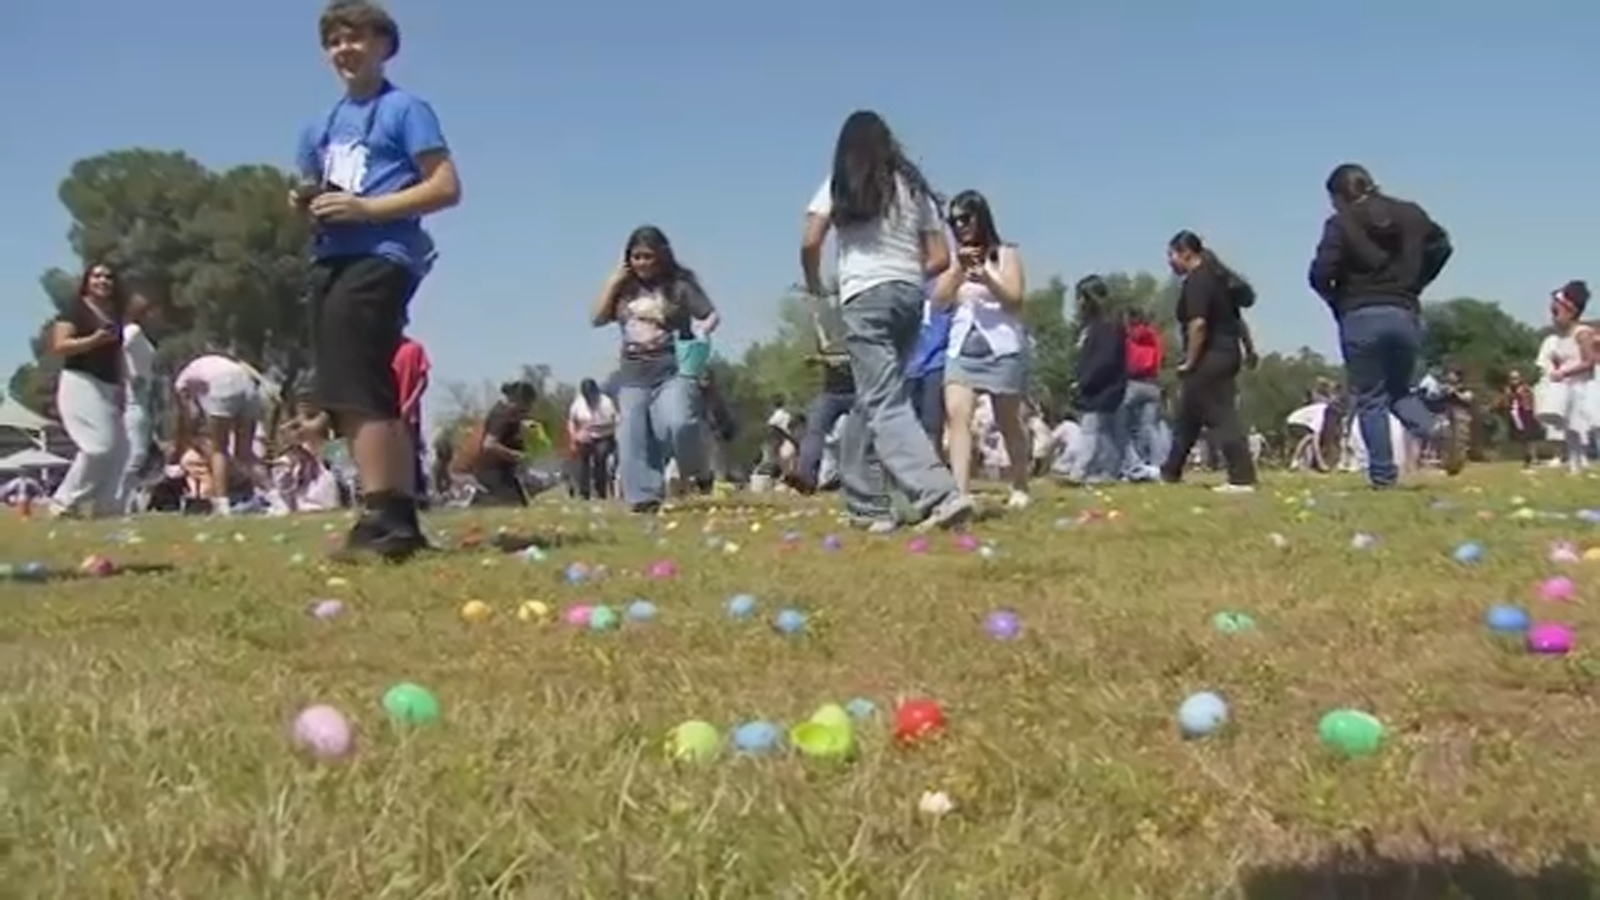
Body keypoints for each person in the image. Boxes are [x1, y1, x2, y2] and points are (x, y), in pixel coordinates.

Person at [292, 0, 460, 558]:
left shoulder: (406, 109)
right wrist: (304, 202)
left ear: (384, 46)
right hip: (330, 258)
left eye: (357, 38)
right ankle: (395, 516)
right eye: (335, 41)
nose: (345, 49)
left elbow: (444, 186)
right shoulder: (318, 127)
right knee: (347, 387)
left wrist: (368, 209)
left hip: (383, 252)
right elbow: (310, 190)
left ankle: (384, 512)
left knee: (359, 379)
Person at [801, 110, 971, 532]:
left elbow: (810, 240)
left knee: (884, 401)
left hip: (864, 296)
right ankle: (866, 505)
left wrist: (815, 283)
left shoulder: (839, 184)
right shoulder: (912, 189)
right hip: (909, 297)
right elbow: (940, 258)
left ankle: (939, 493)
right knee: (872, 398)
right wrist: (904, 270)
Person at [1308, 162, 1454, 487]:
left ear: (1340, 196)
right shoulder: (1412, 214)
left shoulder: (1340, 223)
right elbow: (1442, 246)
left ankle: (1383, 476)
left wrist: (1337, 301)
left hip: (1359, 315)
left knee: (1371, 398)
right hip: (1404, 312)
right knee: (1399, 390)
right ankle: (1435, 430)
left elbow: (1319, 273)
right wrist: (1416, 282)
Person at [591, 226, 718, 513]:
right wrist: (613, 281)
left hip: (673, 369)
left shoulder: (679, 285)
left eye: (648, 256)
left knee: (679, 423)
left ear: (661, 256)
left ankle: (698, 469)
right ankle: (644, 497)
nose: (642, 263)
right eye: (636, 257)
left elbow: (709, 314)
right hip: (633, 374)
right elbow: (597, 318)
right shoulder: (624, 289)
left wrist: (702, 332)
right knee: (631, 435)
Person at [932, 190, 1032, 508]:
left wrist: (987, 277)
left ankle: (1020, 485)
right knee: (957, 417)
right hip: (962, 349)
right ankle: (960, 493)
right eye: (954, 221)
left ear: (981, 216)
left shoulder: (1006, 254)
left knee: (1008, 421)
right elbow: (939, 301)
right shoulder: (954, 260)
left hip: (1002, 349)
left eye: (966, 218)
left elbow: (1015, 299)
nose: (960, 226)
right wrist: (958, 270)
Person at [1160, 232, 1259, 491]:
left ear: (1185, 253)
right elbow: (1237, 321)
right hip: (1226, 353)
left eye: (1171, 255)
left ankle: (1242, 477)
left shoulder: (1198, 280)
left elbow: (1198, 324)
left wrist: (1190, 361)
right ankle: (1170, 472)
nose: (1169, 262)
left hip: (1210, 356)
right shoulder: (1217, 278)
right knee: (1188, 417)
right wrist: (1249, 350)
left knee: (1221, 415)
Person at [47, 262, 129, 518]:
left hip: (109, 385)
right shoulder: (76, 310)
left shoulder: (114, 315)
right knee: (97, 447)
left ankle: (105, 506)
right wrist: (93, 340)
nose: (103, 281)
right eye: (97, 276)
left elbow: (117, 356)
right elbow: (60, 345)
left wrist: (122, 387)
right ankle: (63, 502)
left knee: (120, 450)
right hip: (80, 381)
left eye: (108, 277)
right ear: (87, 280)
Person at [172, 354, 272, 515]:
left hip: (223, 384)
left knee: (219, 449)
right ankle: (275, 497)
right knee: (245, 453)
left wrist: (178, 453)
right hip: (246, 381)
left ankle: (221, 504)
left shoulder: (180, 384)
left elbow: (186, 420)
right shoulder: (204, 368)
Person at [1064, 275, 1128, 484]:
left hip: (1104, 388)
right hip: (1096, 388)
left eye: (1081, 298)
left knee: (1093, 431)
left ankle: (1081, 471)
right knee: (1104, 433)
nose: (1078, 304)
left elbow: (1106, 360)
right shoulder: (1092, 326)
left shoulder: (1107, 326)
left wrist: (1084, 381)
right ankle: (1105, 471)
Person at [790, 294, 856, 492]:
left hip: (858, 392)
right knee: (814, 429)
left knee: (864, 434)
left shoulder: (858, 328)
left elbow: (852, 357)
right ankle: (805, 477)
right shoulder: (826, 331)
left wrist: (824, 360)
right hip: (831, 393)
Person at [1533, 280, 1596, 474]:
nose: (1553, 317)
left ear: (1570, 310)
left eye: (1556, 312)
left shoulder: (1582, 333)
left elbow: (1589, 362)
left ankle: (1583, 460)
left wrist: (1564, 372)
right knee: (1570, 429)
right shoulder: (1561, 337)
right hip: (1568, 388)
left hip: (1583, 389)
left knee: (1588, 427)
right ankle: (1575, 465)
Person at [450, 381, 537, 506]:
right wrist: (516, 456)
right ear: (520, 400)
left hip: (498, 470)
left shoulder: (505, 412)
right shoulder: (503, 414)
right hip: (491, 471)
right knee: (510, 505)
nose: (528, 411)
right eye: (527, 406)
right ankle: (476, 498)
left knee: (519, 503)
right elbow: (489, 445)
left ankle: (479, 497)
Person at [119, 293, 159, 511]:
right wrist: (130, 374)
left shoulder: (139, 333)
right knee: (137, 453)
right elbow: (118, 350)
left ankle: (127, 500)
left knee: (137, 452)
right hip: (135, 393)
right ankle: (120, 498)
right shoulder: (133, 331)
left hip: (143, 393)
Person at [1119, 307, 1163, 480]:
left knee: (1124, 427)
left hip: (1132, 383)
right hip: (1152, 383)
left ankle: (1131, 465)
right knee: (1149, 428)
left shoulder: (1127, 337)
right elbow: (1160, 356)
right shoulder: (1153, 336)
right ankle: (1154, 464)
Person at [391, 333, 430, 504]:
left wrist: (409, 404)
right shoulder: (381, 350)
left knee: (410, 455)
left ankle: (419, 497)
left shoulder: (414, 348)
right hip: (386, 412)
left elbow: (423, 380)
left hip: (408, 413)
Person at [567, 378, 619, 500]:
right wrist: (574, 437)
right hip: (584, 436)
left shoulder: (606, 403)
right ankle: (584, 492)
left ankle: (601, 492)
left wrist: (596, 426)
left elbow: (614, 421)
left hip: (603, 435)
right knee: (582, 462)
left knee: (600, 459)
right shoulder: (578, 403)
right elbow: (571, 421)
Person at [1500, 369, 1540, 467]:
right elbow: (1505, 403)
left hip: (1526, 413)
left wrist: (1534, 412)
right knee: (1521, 438)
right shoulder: (1508, 390)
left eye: (1516, 378)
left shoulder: (1525, 388)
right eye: (1512, 378)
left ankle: (1533, 457)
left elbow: (1531, 400)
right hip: (1515, 415)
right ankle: (1526, 456)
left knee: (1530, 437)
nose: (1514, 380)